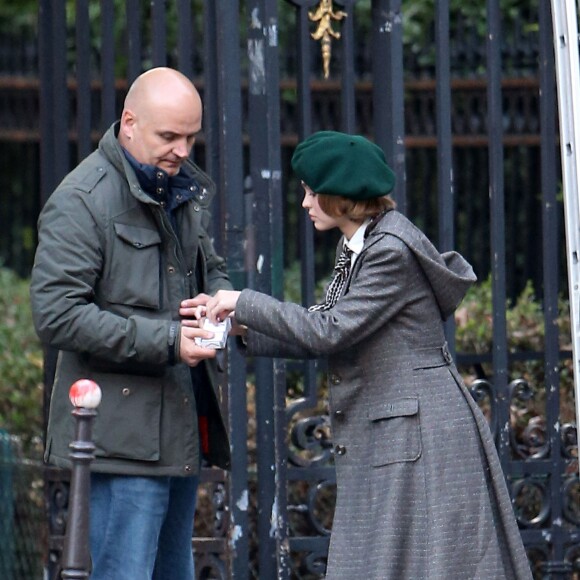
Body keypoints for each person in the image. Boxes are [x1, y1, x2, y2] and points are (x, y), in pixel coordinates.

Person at [192, 132, 533, 578]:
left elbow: (330, 330)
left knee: (430, 566)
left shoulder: (389, 251)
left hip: (421, 435)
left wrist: (243, 301)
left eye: (312, 193)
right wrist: (242, 330)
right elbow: (331, 326)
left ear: (341, 198)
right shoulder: (362, 242)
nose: (305, 203)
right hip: (401, 430)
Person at [30, 67, 232, 580]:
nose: (183, 150)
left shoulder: (177, 191)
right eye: (169, 136)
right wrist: (166, 340)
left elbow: (211, 267)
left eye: (191, 136)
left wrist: (221, 303)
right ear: (128, 123)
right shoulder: (80, 201)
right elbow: (57, 315)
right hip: (119, 444)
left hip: (176, 432)